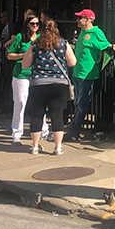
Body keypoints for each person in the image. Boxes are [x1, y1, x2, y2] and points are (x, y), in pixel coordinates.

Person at [21, 18, 77, 155]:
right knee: (57, 115)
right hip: (59, 84)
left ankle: (35, 146)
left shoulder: (35, 44)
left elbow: (25, 65)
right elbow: (72, 62)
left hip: (38, 84)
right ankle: (58, 147)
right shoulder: (63, 44)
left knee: (37, 115)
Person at [65, 9, 115, 141]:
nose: (77, 20)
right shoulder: (82, 33)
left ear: (87, 19)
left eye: (80, 18)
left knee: (82, 104)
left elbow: (106, 44)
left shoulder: (96, 32)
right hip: (78, 73)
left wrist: (112, 46)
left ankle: (73, 131)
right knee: (77, 103)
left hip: (87, 75)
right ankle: (74, 129)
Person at [6, 14, 49, 144]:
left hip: (37, 74)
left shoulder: (41, 38)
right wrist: (23, 55)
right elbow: (10, 55)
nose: (35, 26)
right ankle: (16, 133)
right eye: (32, 24)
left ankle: (44, 131)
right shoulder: (20, 37)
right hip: (21, 75)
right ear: (27, 24)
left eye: (37, 24)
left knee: (40, 104)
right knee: (20, 103)